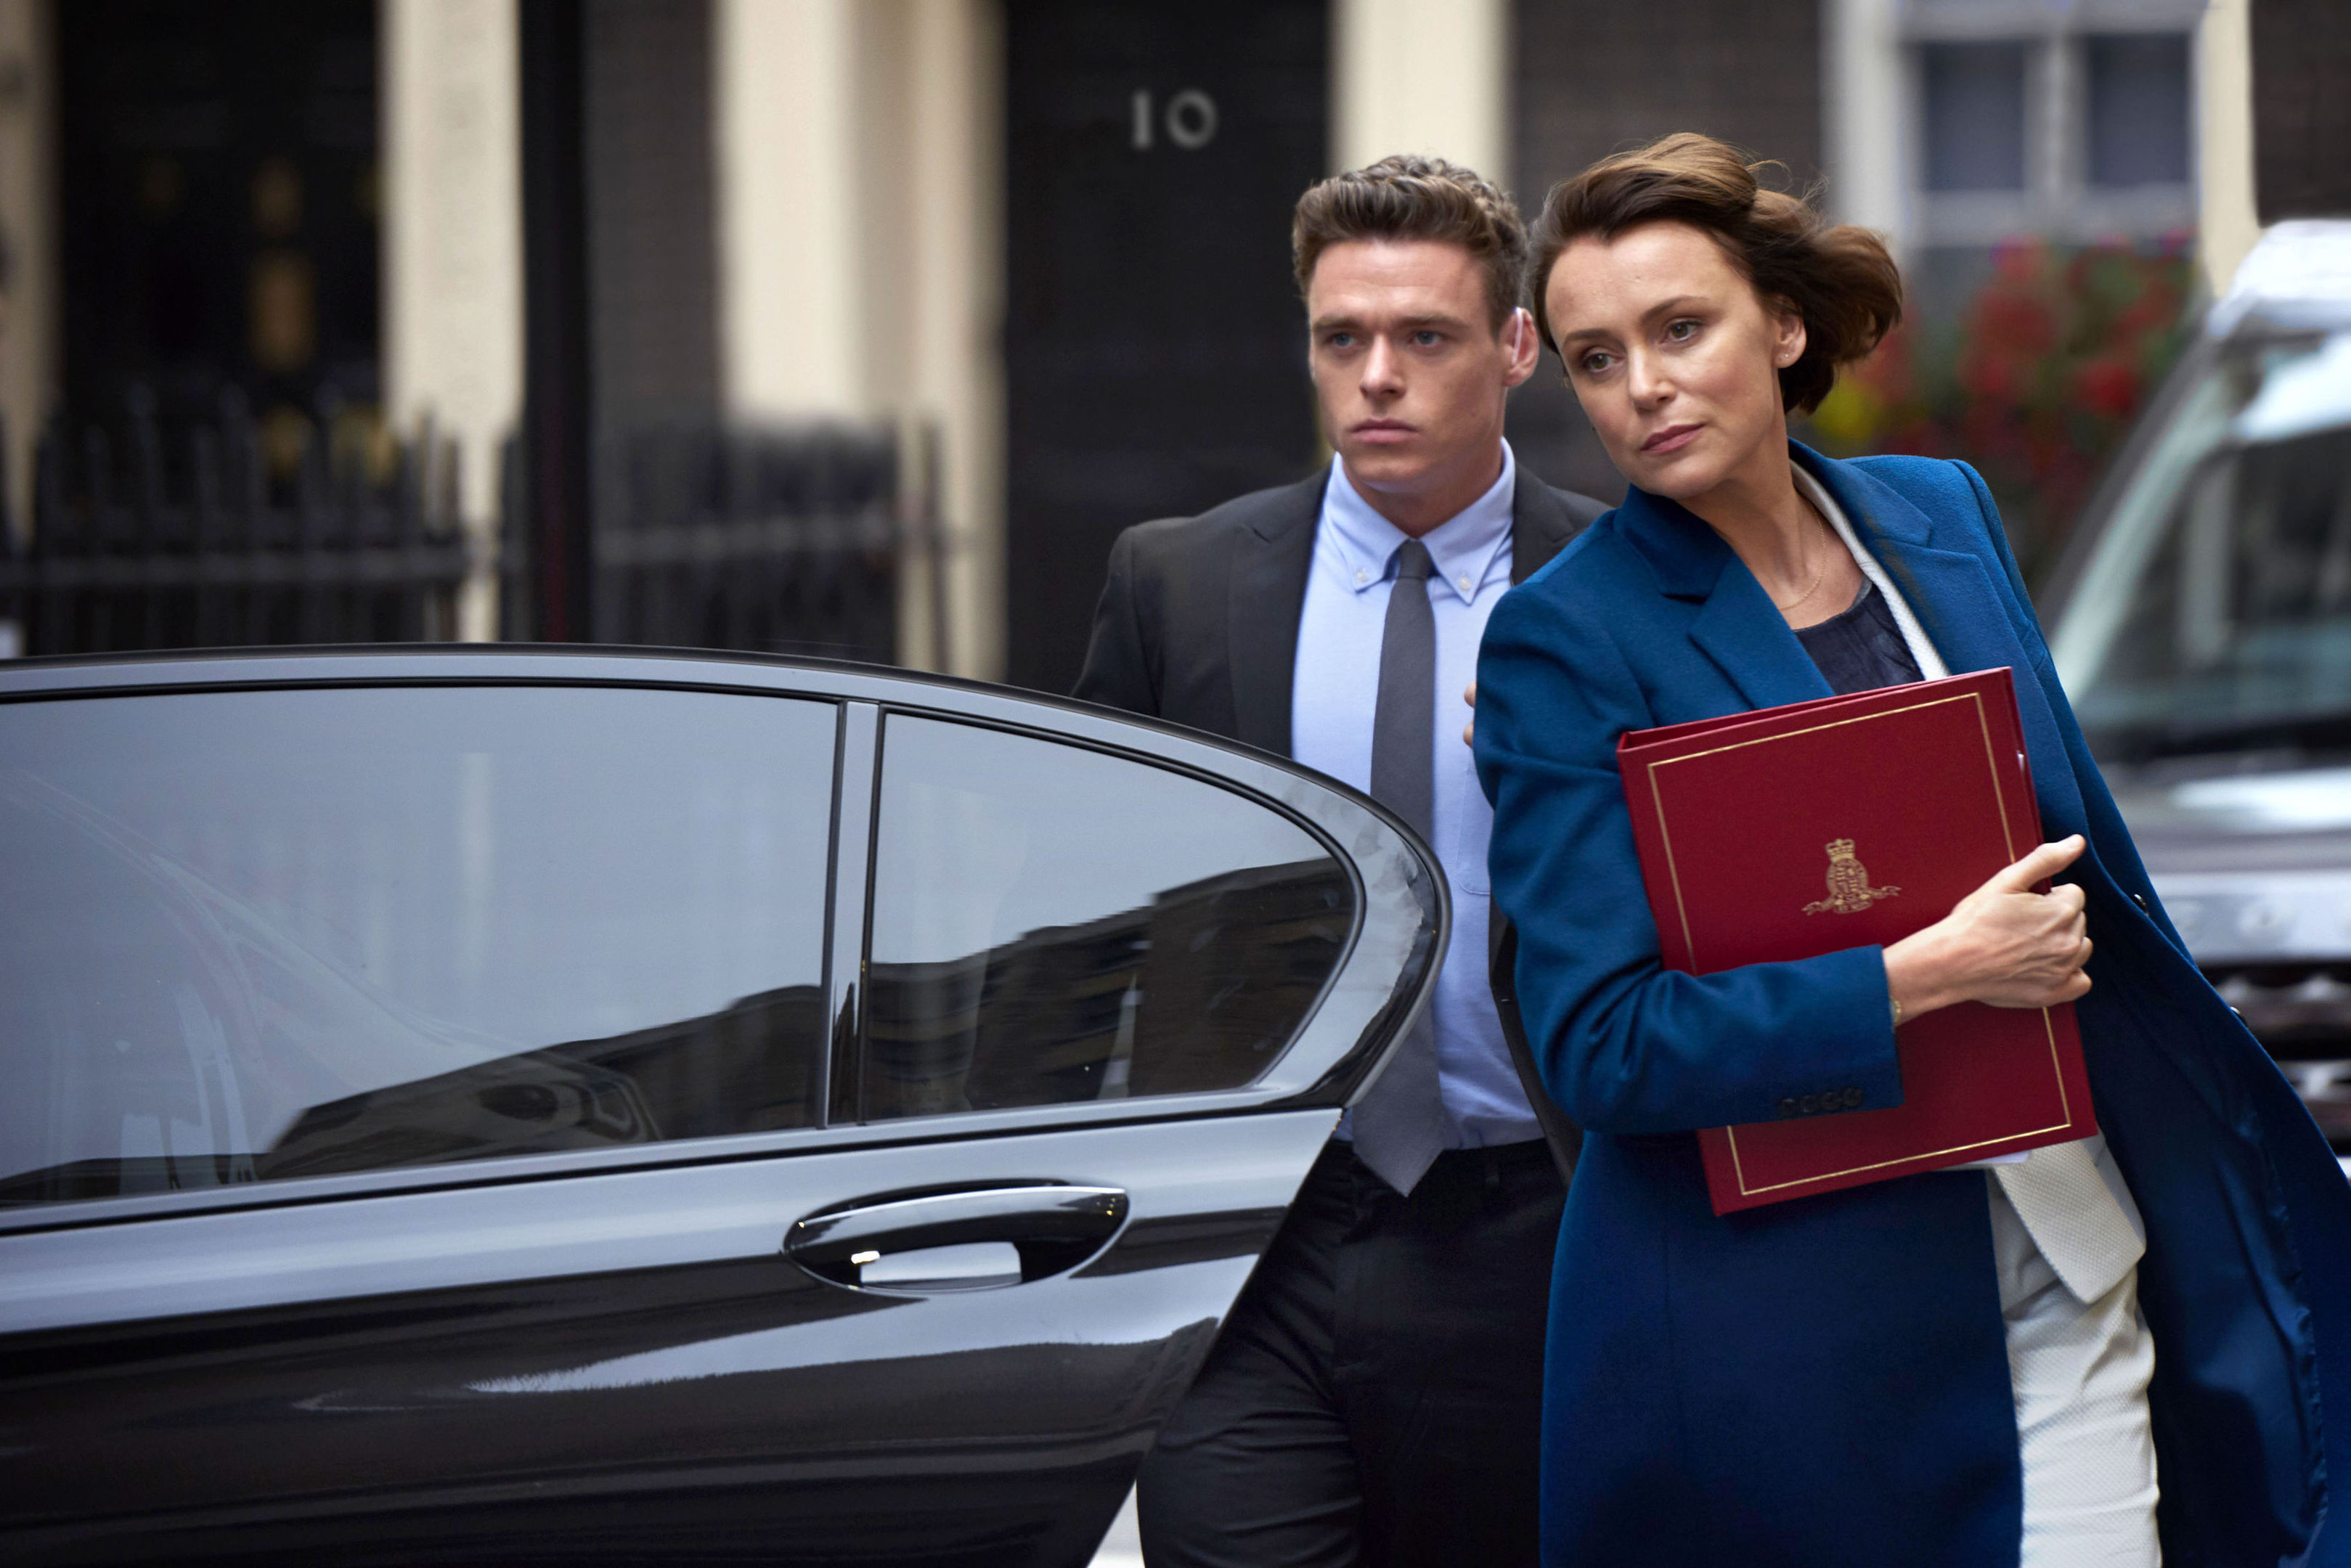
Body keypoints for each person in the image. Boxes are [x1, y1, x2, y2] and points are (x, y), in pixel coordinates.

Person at [1471, 130, 2351, 1567]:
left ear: (1780, 322)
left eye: (1678, 328)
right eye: (1591, 357)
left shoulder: (1939, 515)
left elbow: (2087, 856)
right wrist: (1915, 975)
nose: (1639, 387)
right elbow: (1596, 1044)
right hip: (1793, 1336)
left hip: (2071, 1235)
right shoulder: (1561, 640)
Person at [1074, 155, 1605, 1567]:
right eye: (1340, 339)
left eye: (1422, 338)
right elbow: (1077, 917)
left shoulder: (1620, 589)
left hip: (1534, 1232)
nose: (1376, 375)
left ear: (1511, 348)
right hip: (1253, 1244)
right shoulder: (1175, 582)